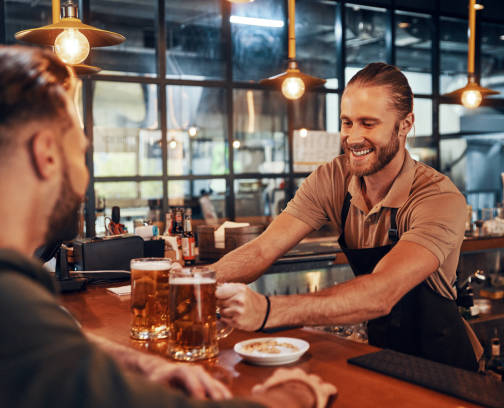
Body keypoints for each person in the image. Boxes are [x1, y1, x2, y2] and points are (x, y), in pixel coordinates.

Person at [0, 45, 336, 408]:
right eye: (79, 153)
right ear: (46, 154)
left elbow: (58, 348)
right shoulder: (11, 302)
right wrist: (295, 394)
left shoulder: (19, 305)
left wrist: (141, 365)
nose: (84, 176)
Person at [214, 62, 480, 371]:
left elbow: (382, 292)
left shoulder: (437, 197)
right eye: (347, 122)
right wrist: (194, 283)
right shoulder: (333, 178)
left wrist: (267, 310)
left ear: (405, 124)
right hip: (382, 357)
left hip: (445, 368)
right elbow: (263, 249)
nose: (353, 137)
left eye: (368, 124)